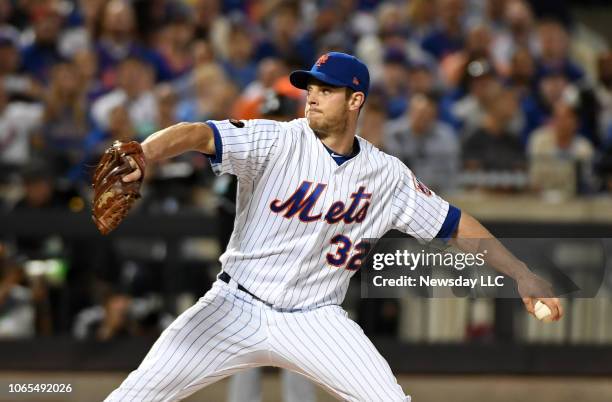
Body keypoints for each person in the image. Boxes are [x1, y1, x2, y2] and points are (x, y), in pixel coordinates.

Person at [105, 52, 563, 402]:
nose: (313, 95)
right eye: (311, 87)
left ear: (355, 99)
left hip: (316, 319)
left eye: (326, 89)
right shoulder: (277, 138)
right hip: (234, 305)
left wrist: (521, 272)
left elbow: (456, 225)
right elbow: (197, 133)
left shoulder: (387, 175)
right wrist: (145, 153)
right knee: (134, 396)